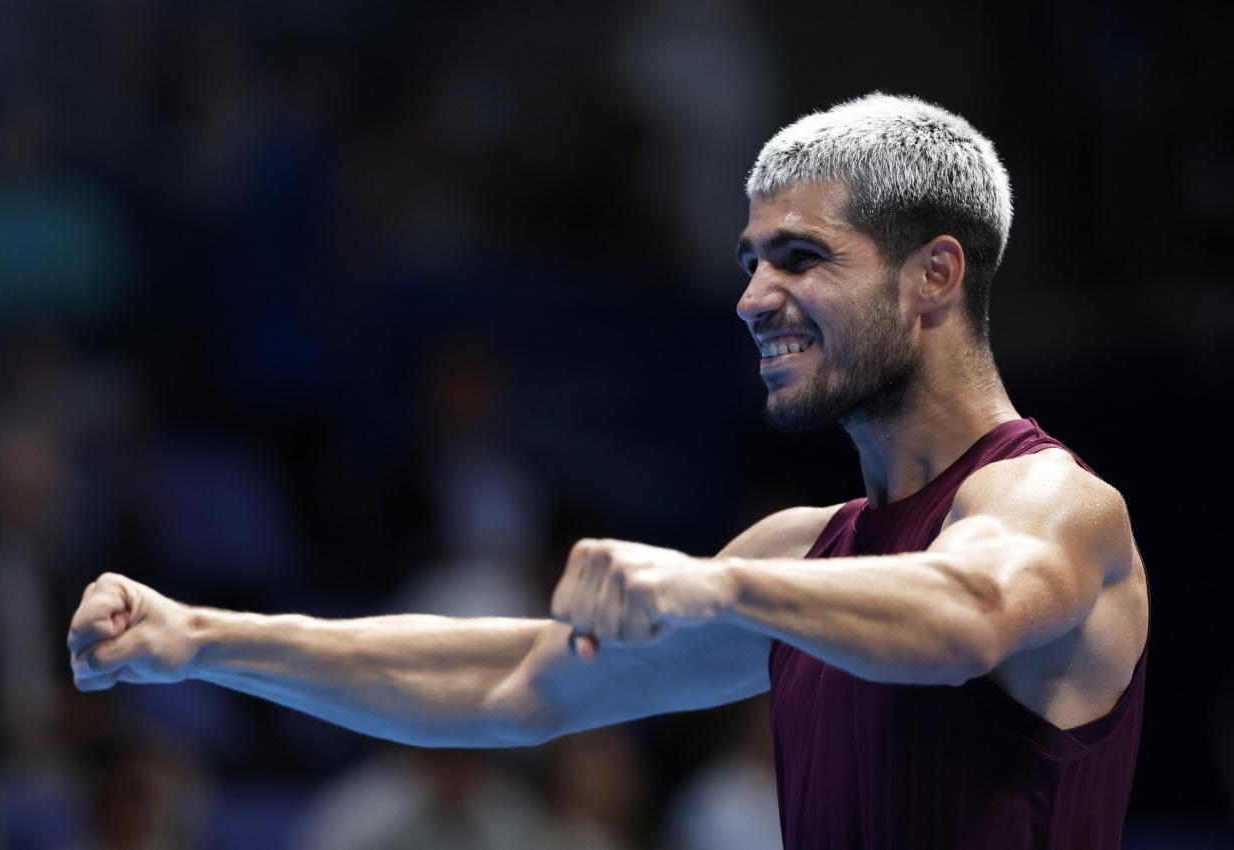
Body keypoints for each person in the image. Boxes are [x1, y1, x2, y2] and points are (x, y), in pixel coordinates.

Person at [67, 93, 1150, 849]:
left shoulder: (1058, 505)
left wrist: (715, 584)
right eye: (749, 263)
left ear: (934, 276)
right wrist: (204, 638)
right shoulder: (807, 556)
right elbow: (513, 682)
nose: (752, 299)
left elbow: (969, 614)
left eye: (801, 257)